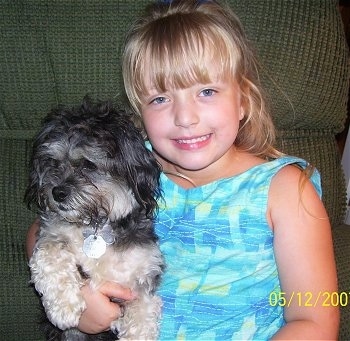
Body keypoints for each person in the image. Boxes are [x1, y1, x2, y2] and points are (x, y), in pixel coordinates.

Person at [27, 0, 339, 339]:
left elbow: (315, 320)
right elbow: (42, 230)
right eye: (160, 99)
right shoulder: (125, 167)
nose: (185, 118)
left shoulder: (286, 191)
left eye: (207, 91)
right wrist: (76, 299)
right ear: (139, 113)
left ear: (244, 100)